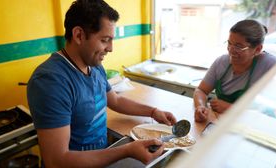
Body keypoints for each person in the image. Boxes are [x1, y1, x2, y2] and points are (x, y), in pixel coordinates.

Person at [27, 0, 177, 167]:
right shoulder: (50, 82)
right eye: (105, 40)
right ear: (78, 35)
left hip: (104, 156)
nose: (111, 48)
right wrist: (126, 150)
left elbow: (116, 101)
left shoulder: (94, 66)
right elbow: (57, 161)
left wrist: (153, 112)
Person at [194, 19, 276, 122]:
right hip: (220, 124)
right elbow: (201, 90)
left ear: (257, 50)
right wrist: (201, 106)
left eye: (239, 46)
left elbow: (275, 111)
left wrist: (231, 109)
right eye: (229, 43)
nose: (231, 50)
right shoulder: (221, 62)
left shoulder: (271, 65)